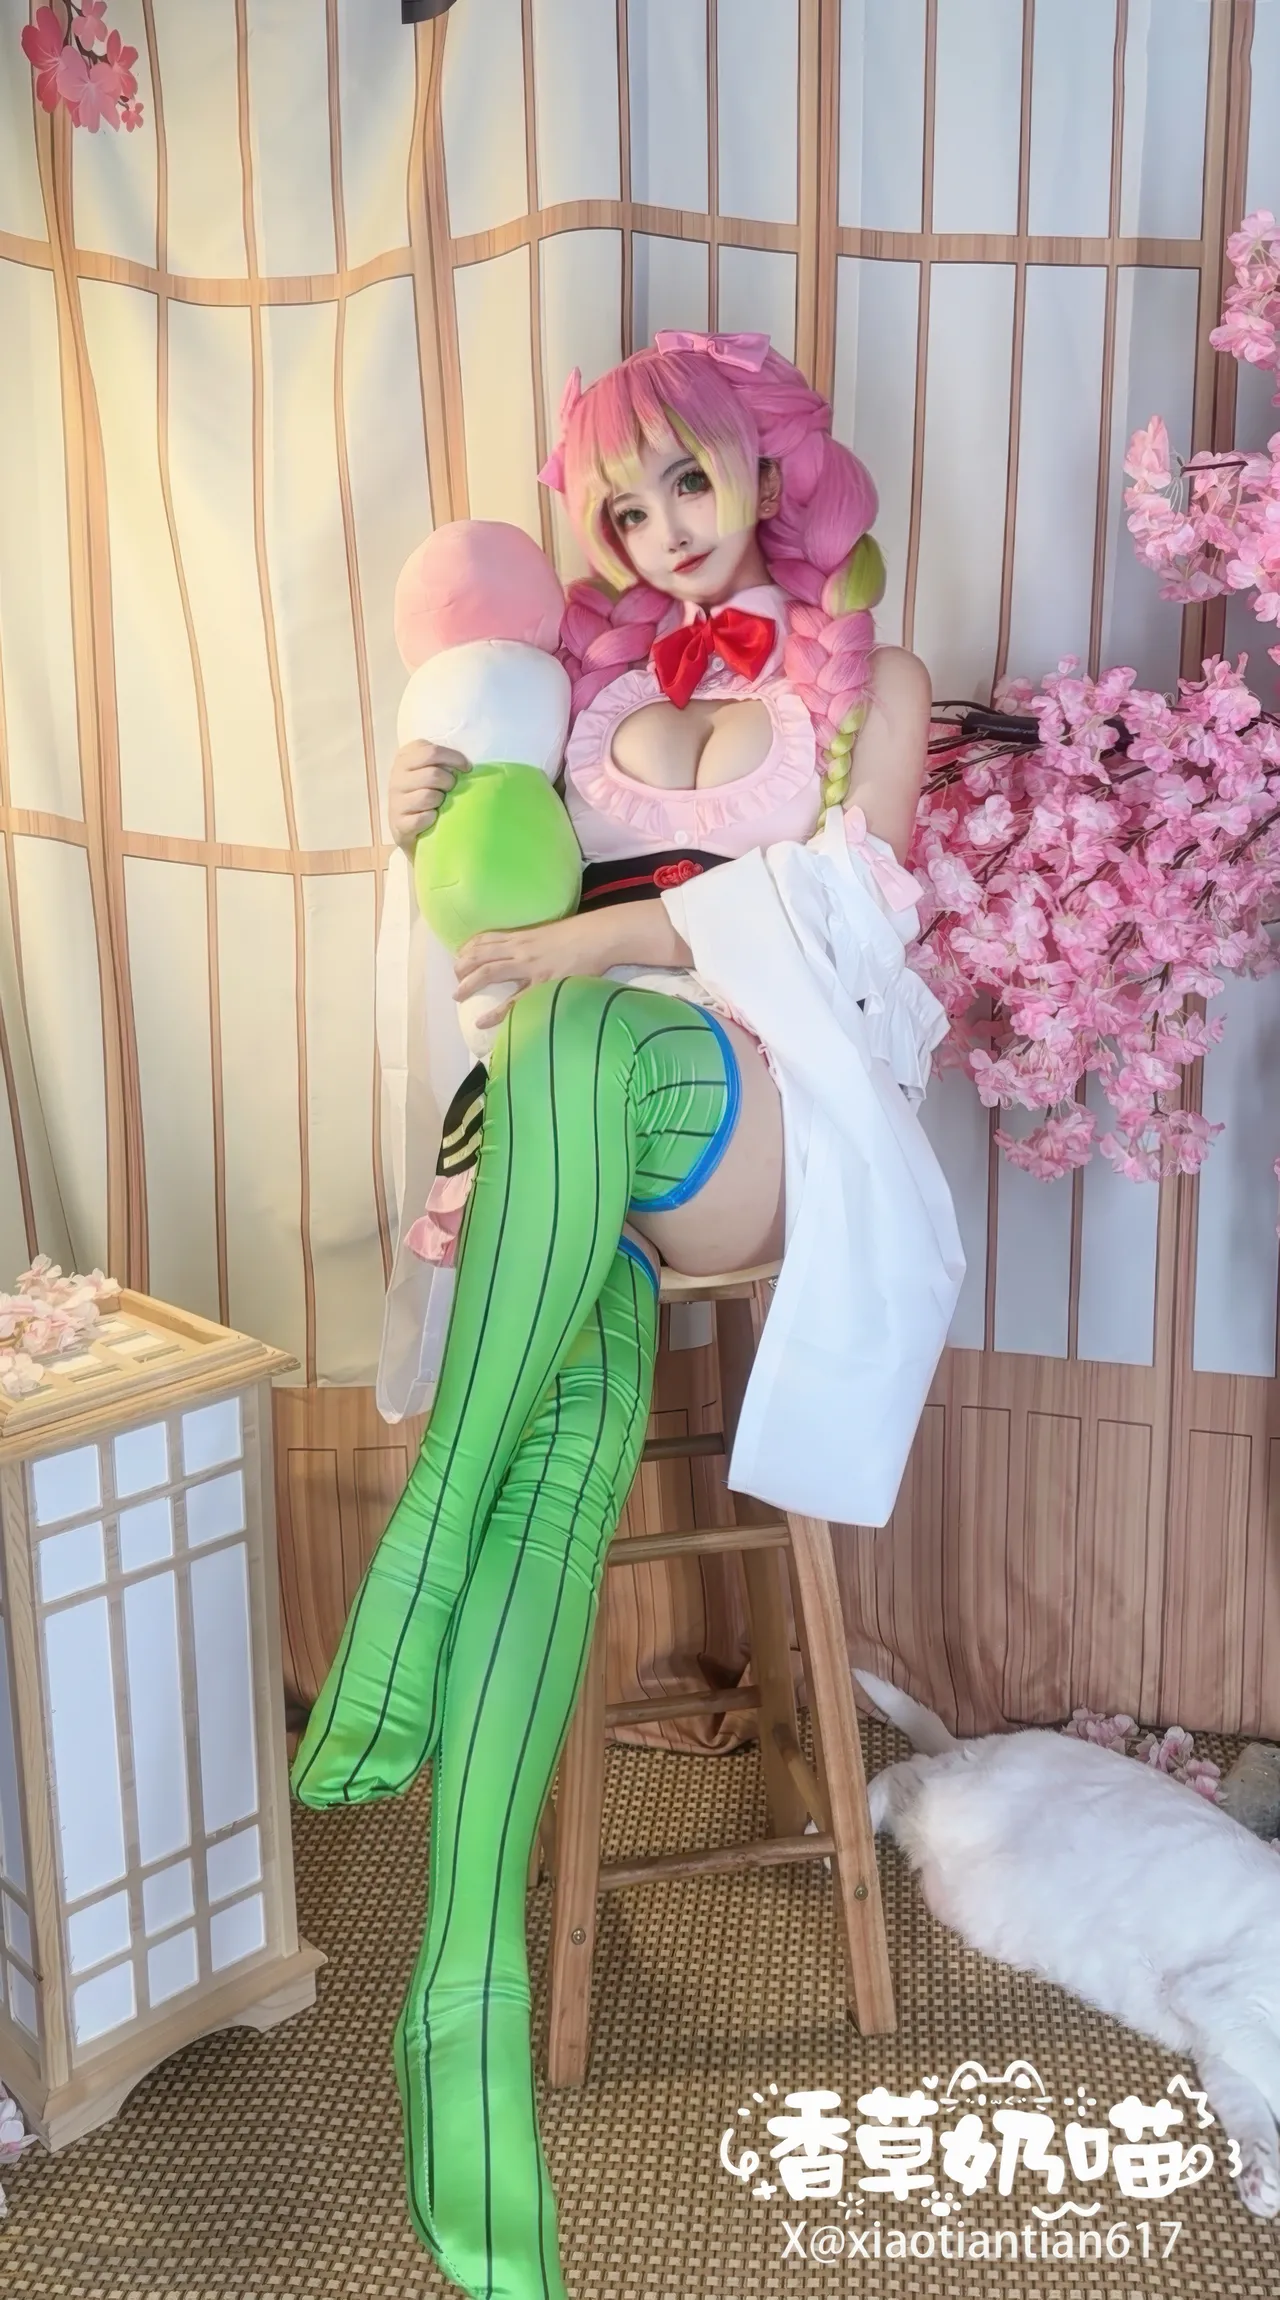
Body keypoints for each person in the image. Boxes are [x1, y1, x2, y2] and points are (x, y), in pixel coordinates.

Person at [289, 330, 961, 2300]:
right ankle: (462, 2016)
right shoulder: (578, 691)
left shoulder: (870, 684)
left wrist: (588, 938)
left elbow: (849, 922)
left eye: (691, 479)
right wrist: (427, 812)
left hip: (760, 1119)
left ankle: (411, 1552)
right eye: (621, 499)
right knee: (561, 1461)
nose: (660, 528)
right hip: (571, 1162)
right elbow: (478, 941)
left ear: (768, 477)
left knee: (587, 1033)